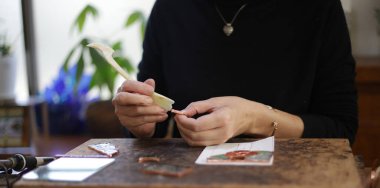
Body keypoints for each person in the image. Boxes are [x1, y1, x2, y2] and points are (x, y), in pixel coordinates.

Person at [112, 0, 358, 147]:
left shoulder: (318, 8)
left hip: (294, 187)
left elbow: (341, 129)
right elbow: (153, 113)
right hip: (187, 183)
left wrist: (255, 118)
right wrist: (139, 123)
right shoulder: (170, 8)